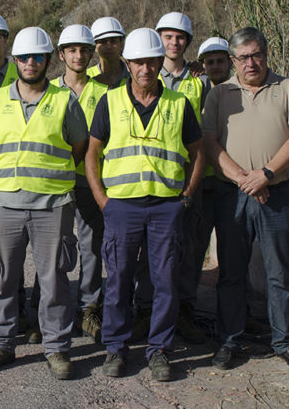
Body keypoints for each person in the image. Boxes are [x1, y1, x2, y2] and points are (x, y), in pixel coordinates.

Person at [86, 28, 204, 382]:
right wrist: (102, 200)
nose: (145, 69)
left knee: (165, 280)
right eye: (138, 62)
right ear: (128, 63)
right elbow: (92, 153)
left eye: (152, 62)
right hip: (122, 207)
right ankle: (116, 348)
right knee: (119, 279)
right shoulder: (110, 102)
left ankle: (159, 350)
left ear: (159, 63)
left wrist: (186, 196)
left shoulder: (178, 104)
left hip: (166, 207)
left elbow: (197, 153)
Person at [0, 27, 88, 380]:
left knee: (54, 279)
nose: (30, 63)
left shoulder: (65, 101)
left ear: (48, 62)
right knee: (2, 277)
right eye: (23, 57)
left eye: (37, 57)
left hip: (52, 204)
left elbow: (78, 147)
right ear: (15, 61)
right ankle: (1, 344)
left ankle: (56, 349)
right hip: (3, 204)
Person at [203, 27, 289, 371]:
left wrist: (264, 174)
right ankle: (230, 340)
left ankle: (285, 342)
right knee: (232, 272)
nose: (251, 63)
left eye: (257, 54)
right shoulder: (220, 95)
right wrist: (244, 179)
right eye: (243, 57)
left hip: (277, 193)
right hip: (232, 194)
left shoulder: (288, 87)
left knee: (281, 271)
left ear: (266, 53)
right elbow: (209, 142)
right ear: (233, 61)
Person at [132, 12, 212, 344]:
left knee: (189, 248)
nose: (174, 42)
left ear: (187, 43)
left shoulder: (200, 81)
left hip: (188, 181)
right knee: (151, 252)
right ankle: (146, 311)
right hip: (154, 181)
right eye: (168, 36)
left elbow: (202, 134)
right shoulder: (146, 75)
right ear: (159, 39)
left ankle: (184, 311)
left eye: (180, 38)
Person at [51, 25, 110, 342]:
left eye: (84, 50)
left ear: (92, 54)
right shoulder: (47, 90)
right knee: (53, 248)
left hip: (90, 181)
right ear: (61, 54)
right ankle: (49, 308)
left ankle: (88, 309)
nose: (78, 55)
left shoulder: (104, 93)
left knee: (90, 247)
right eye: (71, 50)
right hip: (55, 181)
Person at [88, 16, 129, 87]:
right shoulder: (86, 78)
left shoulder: (134, 76)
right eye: (103, 41)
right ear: (94, 46)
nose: (109, 46)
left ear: (121, 44)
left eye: (113, 41)